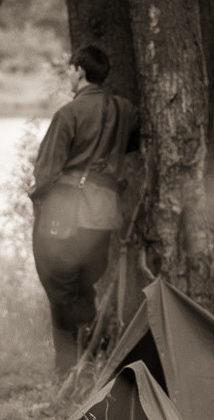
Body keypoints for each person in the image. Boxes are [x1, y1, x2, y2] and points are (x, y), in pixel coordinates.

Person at [29, 45, 139, 377]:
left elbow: (46, 172)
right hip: (104, 215)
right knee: (84, 284)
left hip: (66, 214)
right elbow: (132, 142)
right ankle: (82, 364)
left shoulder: (69, 114)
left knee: (59, 284)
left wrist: (38, 201)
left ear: (79, 71)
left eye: (70, 69)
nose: (69, 75)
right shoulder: (126, 111)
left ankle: (82, 357)